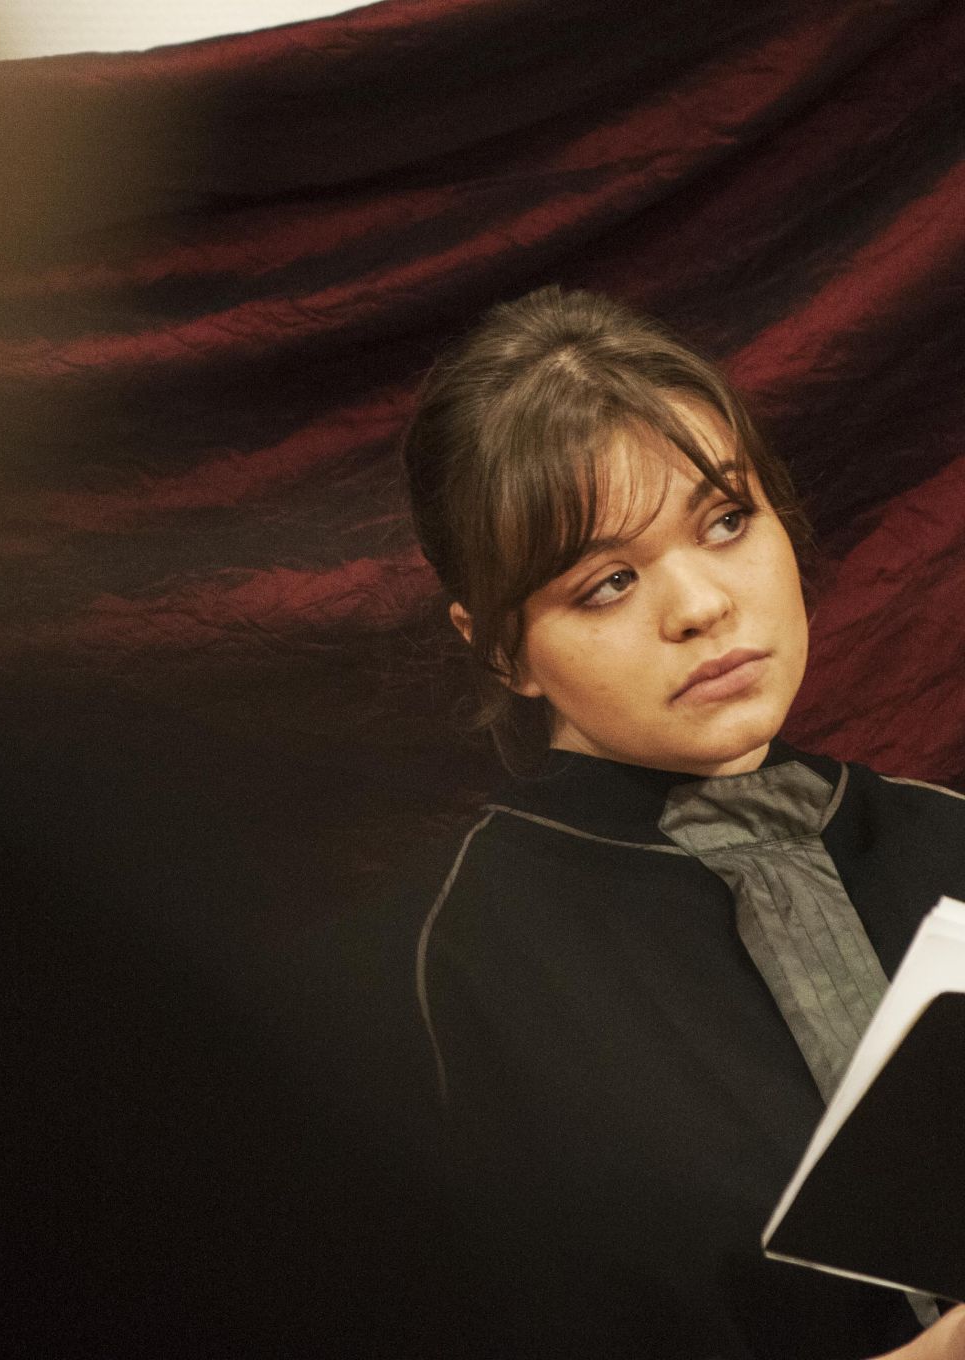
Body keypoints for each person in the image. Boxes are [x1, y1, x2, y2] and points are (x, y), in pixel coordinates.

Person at [384, 285, 965, 1358]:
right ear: (501, 649)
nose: (700, 606)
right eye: (606, 582)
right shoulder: (457, 964)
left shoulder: (948, 838)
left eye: (726, 521)